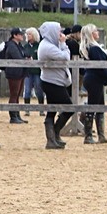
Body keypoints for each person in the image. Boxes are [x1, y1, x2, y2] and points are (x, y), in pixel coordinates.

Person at [38, 21, 74, 150]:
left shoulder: (50, 44)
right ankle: (54, 133)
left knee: (52, 110)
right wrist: (64, 44)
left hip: (54, 81)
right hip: (53, 82)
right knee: (69, 107)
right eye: (58, 31)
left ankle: (52, 138)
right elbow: (65, 57)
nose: (61, 33)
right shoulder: (48, 47)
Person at [78, 25, 107, 144]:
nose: (97, 32)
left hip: (93, 79)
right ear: (91, 34)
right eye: (95, 31)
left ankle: (100, 135)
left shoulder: (91, 47)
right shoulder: (94, 48)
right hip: (94, 79)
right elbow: (100, 68)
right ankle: (88, 135)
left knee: (99, 106)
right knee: (93, 107)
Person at [2, 28, 29, 124]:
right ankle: (13, 116)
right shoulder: (11, 46)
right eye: (20, 34)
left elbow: (25, 54)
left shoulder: (18, 45)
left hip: (19, 72)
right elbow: (18, 57)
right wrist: (25, 59)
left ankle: (17, 114)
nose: (22, 36)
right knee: (14, 94)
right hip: (14, 72)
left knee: (17, 95)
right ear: (15, 35)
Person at [22, 27, 44, 114]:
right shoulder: (25, 46)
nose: (28, 36)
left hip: (37, 72)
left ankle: (41, 109)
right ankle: (27, 109)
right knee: (27, 90)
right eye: (27, 34)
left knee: (39, 90)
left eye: (30, 34)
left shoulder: (39, 46)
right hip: (28, 72)